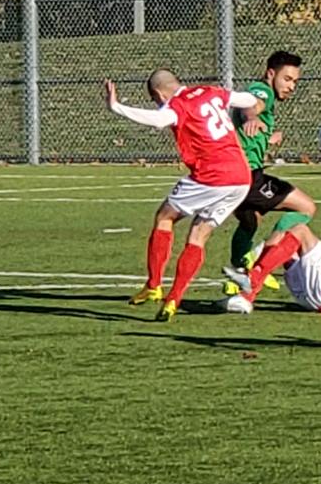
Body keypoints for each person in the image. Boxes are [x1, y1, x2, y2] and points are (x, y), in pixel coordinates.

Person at [104, 70, 261, 321]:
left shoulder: (178, 105)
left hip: (212, 174)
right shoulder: (211, 91)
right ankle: (174, 299)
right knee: (198, 234)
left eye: (155, 100)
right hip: (241, 178)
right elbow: (249, 100)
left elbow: (158, 120)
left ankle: (154, 285)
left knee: (164, 217)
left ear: (158, 93)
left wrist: (117, 107)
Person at [225, 50, 317, 293]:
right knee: (306, 207)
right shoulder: (262, 90)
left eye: (295, 81)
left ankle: (237, 273)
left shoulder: (265, 95)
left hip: (232, 175)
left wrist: (267, 137)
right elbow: (252, 105)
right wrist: (251, 117)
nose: (291, 86)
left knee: (251, 221)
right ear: (270, 74)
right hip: (248, 176)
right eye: (287, 79)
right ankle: (260, 262)